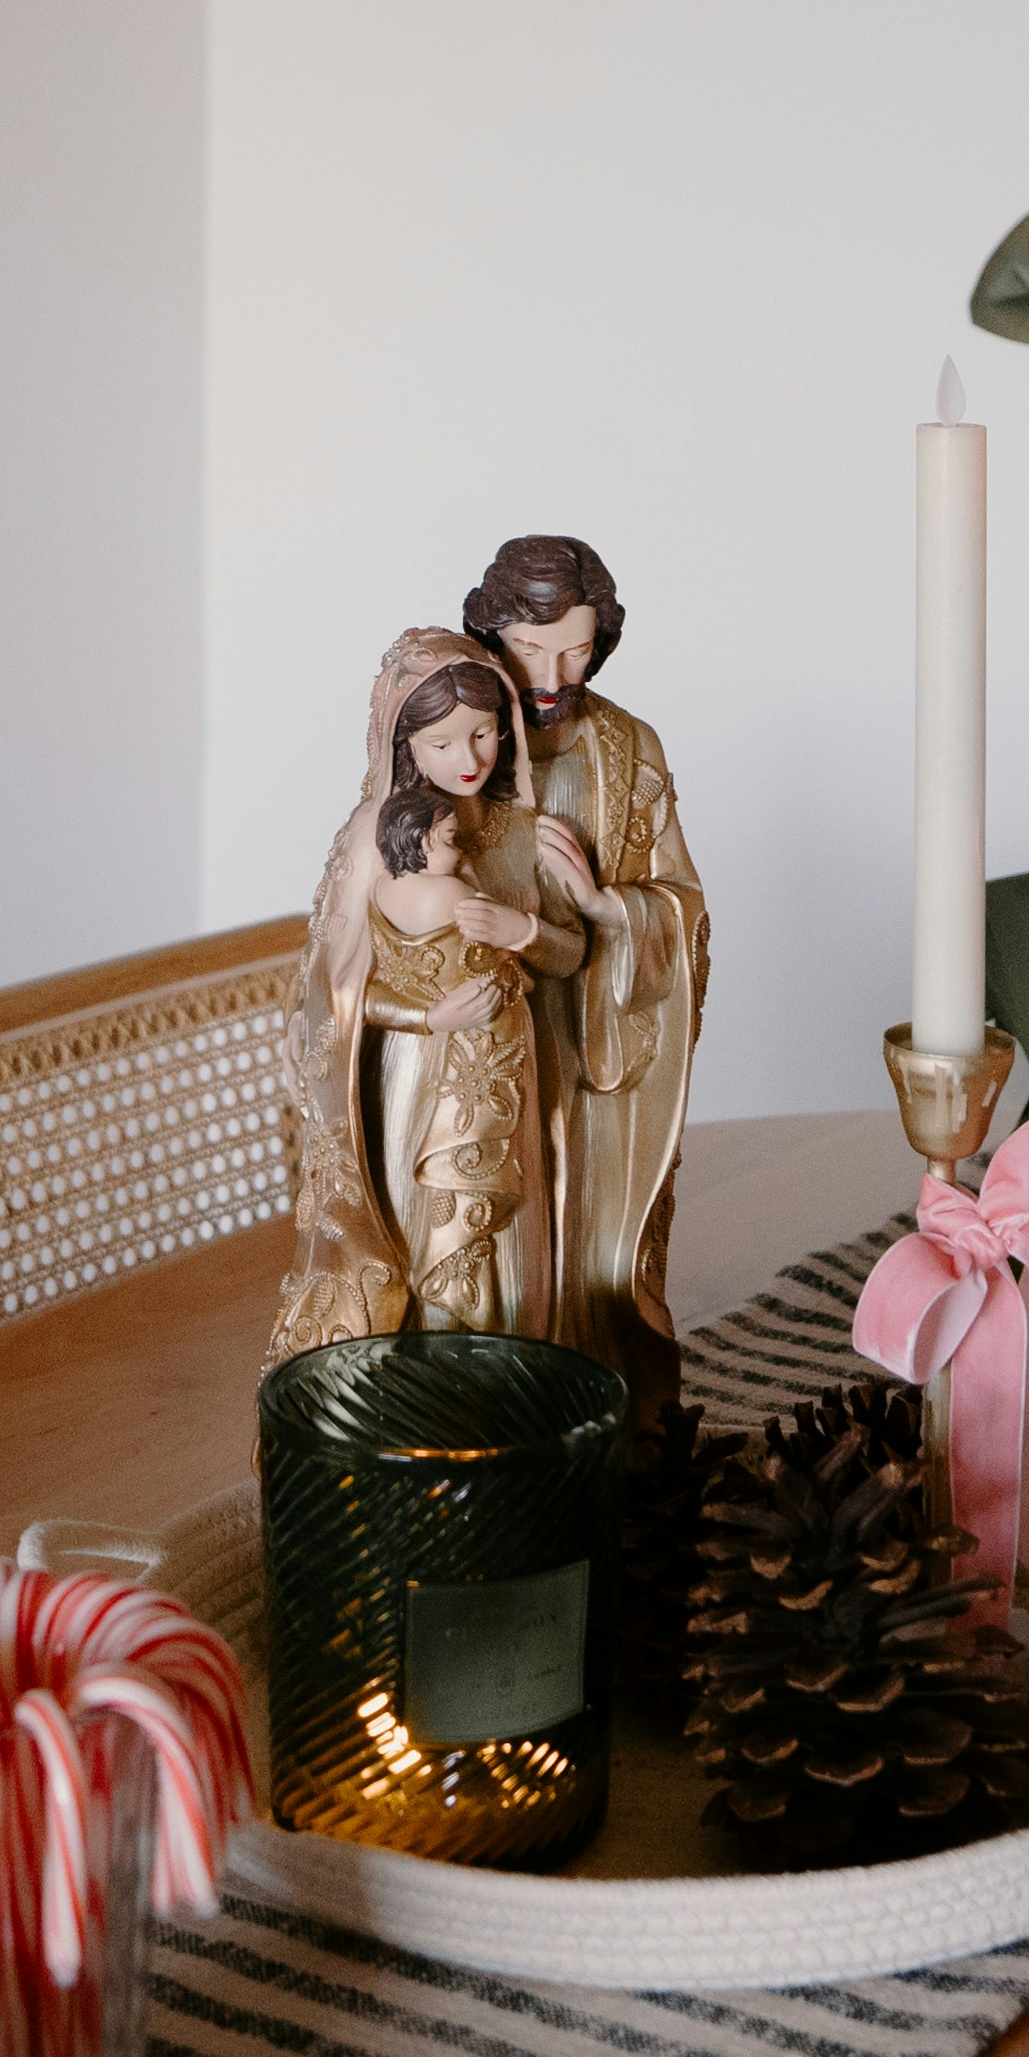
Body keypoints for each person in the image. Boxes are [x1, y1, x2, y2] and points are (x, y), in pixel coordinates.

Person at [274, 631, 597, 1353]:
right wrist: (427, 1016)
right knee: (431, 1247)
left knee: (503, 1249)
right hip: (409, 1084)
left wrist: (524, 930)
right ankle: (417, 1401)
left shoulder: (523, 830)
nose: (469, 760)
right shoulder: (375, 836)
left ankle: (508, 1400)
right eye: (442, 744)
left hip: (511, 1082)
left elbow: (571, 951)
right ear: (403, 745)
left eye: (482, 734)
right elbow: (337, 984)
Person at [461, 535, 709, 1423]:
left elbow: (682, 900)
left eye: (575, 646)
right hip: (492, 1034)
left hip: (599, 1034)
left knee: (594, 1231)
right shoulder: (459, 738)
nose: (553, 670)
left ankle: (604, 1412)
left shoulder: (627, 748)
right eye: (530, 649)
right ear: (491, 637)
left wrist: (611, 911)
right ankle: (503, 1411)